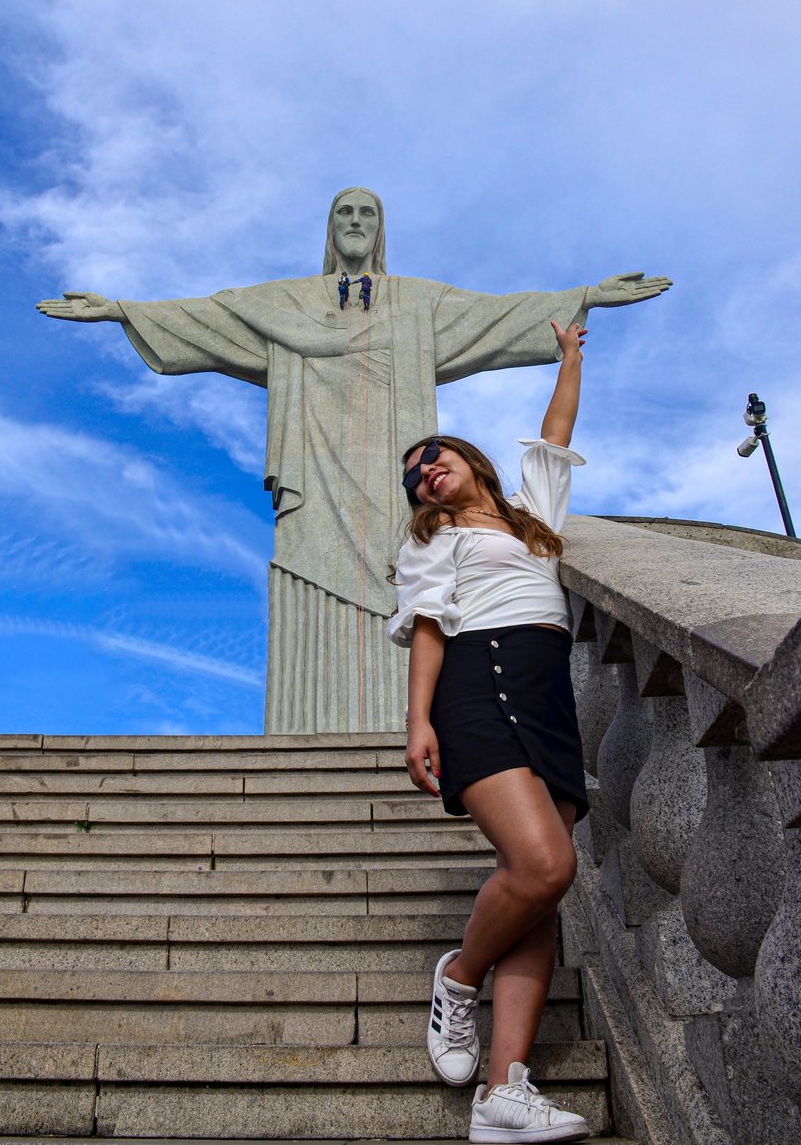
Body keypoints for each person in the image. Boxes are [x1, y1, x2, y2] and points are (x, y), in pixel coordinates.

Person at [36, 185, 670, 734]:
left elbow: (495, 314)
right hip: (315, 476)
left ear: (381, 229)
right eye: (345, 213)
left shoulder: (418, 302)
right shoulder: (285, 304)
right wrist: (121, 310)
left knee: (411, 576)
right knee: (334, 572)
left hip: (395, 491)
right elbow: (211, 314)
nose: (356, 222)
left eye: (368, 213)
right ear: (330, 228)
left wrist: (584, 298)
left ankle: (411, 720)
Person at [387, 318, 591, 1143]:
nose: (425, 473)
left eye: (433, 455)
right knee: (546, 864)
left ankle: (505, 1091)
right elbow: (429, 626)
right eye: (413, 477)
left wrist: (569, 357)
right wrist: (418, 721)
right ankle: (459, 976)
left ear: (469, 457)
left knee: (537, 895)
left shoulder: (531, 515)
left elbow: (556, 433)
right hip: (481, 684)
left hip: (549, 698)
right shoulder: (435, 537)